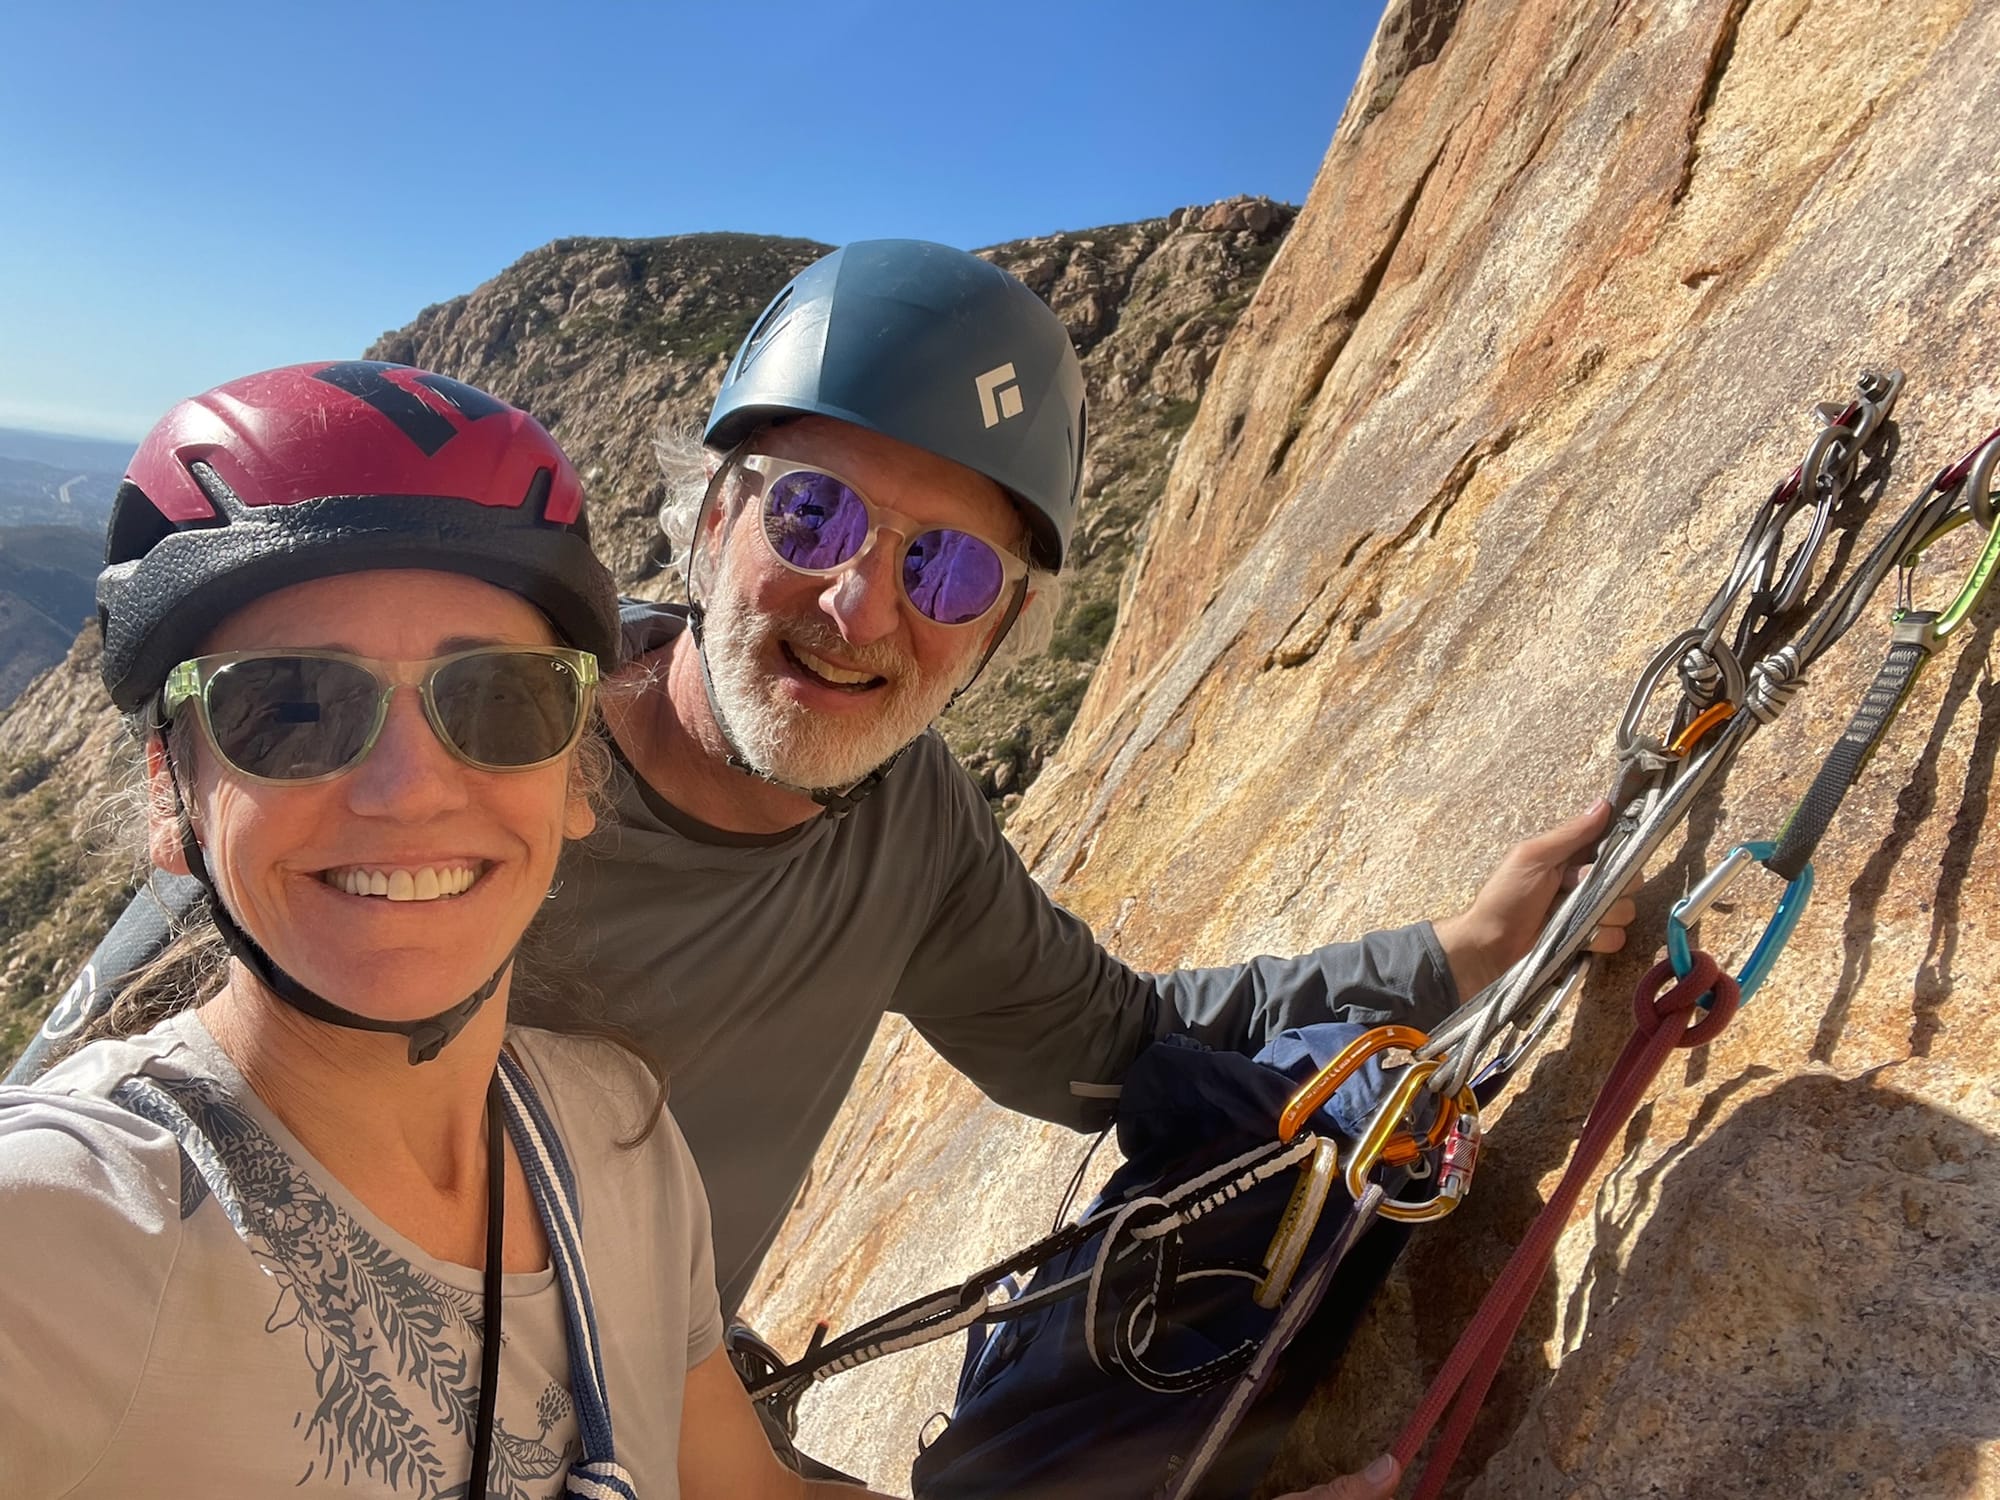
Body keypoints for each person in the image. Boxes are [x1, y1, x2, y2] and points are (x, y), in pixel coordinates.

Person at [22, 242, 1633, 1323]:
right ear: (708, 521)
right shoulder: (478, 771)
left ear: (1002, 628)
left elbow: (1121, 1048)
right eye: (811, 520)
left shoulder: (908, 827)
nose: (860, 610)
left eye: (945, 572)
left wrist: (1462, 954)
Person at [0, 361, 1413, 1500]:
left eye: (496, 701)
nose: (405, 786)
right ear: (169, 794)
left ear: (573, 778)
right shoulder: (71, 1230)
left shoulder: (612, 1148)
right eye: (288, 707)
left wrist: (1469, 946)